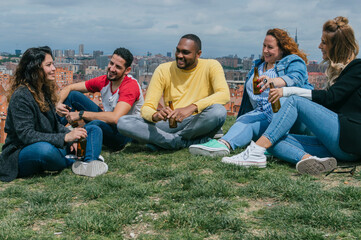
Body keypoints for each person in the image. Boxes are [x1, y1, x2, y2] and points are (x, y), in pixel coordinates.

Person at [221, 16, 361, 175]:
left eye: (324, 42)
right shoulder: (339, 74)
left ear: (336, 46)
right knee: (273, 140)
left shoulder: (358, 67)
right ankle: (311, 160)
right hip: (338, 147)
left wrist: (287, 91)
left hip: (350, 138)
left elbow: (330, 97)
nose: (319, 46)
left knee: (294, 101)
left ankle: (255, 151)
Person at [189, 28, 313, 157]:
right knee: (246, 120)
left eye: (270, 47)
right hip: (264, 114)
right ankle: (223, 144)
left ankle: (272, 145)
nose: (265, 50)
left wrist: (274, 81)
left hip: (287, 118)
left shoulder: (293, 61)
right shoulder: (258, 65)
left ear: (282, 49)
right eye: (264, 46)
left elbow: (297, 78)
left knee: (283, 99)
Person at [0, 46, 107, 182]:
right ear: (35, 69)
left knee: (93, 129)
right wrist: (65, 138)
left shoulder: (43, 91)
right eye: (48, 65)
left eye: (53, 64)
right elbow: (26, 135)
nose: (54, 68)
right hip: (23, 151)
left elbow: (54, 125)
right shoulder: (21, 96)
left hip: (51, 143)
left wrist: (72, 138)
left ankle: (88, 163)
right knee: (45, 151)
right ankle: (77, 160)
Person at [117, 34, 230, 150]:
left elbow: (224, 95)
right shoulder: (163, 69)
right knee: (123, 122)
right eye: (178, 51)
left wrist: (192, 108)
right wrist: (155, 115)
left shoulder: (211, 65)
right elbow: (147, 107)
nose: (180, 56)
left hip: (197, 121)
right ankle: (179, 142)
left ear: (198, 54)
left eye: (185, 52)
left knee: (219, 112)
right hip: (170, 123)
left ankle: (165, 141)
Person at [56, 47, 143, 151]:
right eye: (111, 63)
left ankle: (75, 147)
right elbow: (69, 87)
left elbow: (115, 118)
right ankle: (52, 131)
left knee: (95, 125)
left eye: (118, 67)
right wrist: (58, 104)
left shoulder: (130, 86)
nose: (112, 69)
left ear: (127, 70)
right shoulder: (104, 81)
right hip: (109, 126)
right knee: (73, 95)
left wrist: (80, 114)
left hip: (126, 134)